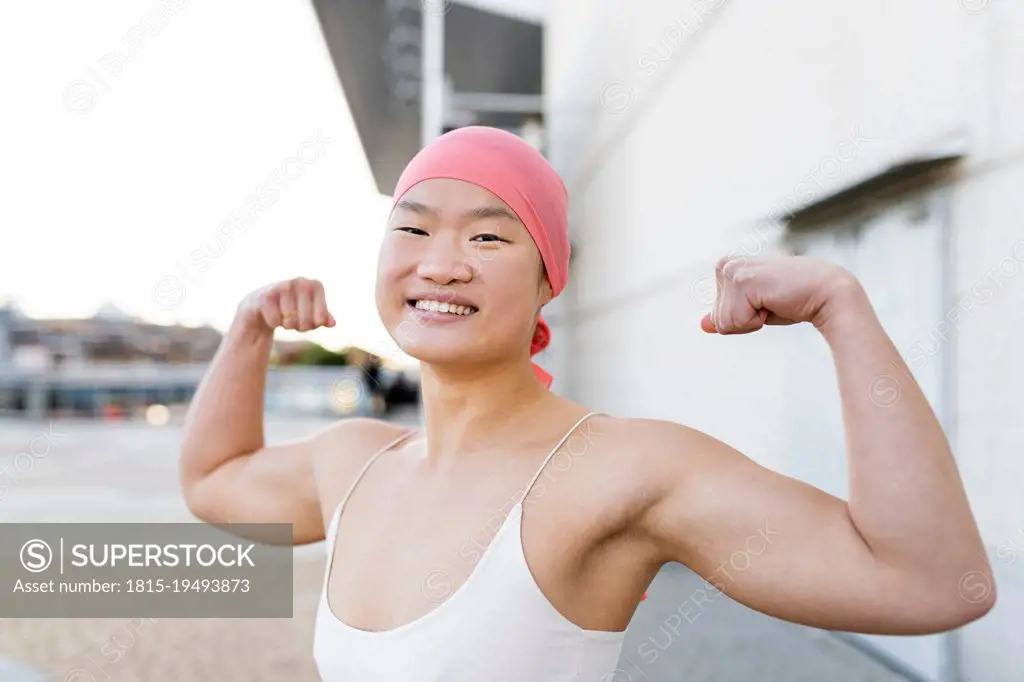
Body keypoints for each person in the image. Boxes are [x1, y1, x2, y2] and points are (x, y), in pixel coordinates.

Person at [179, 126, 996, 681]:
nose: (443, 264)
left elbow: (930, 583)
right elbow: (215, 481)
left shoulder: (620, 469)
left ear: (548, 285)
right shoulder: (351, 463)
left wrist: (841, 310)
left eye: (491, 236)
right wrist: (249, 328)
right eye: (415, 230)